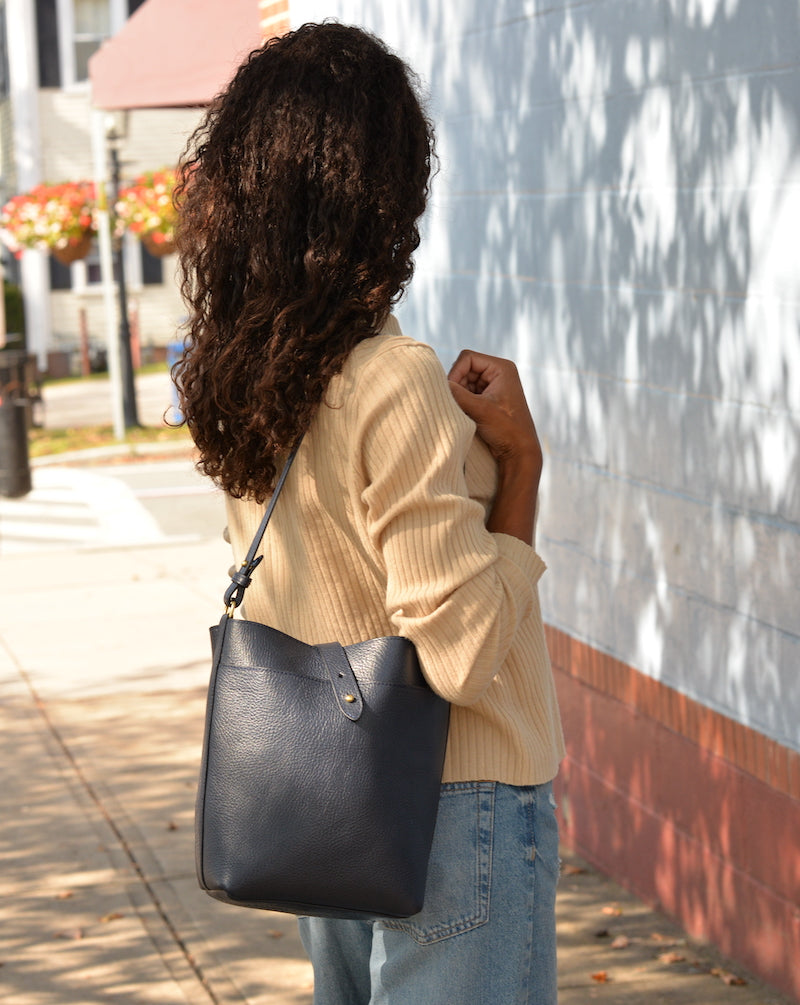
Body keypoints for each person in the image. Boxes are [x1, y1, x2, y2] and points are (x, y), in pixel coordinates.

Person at [175, 22, 565, 1004]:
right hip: (452, 810)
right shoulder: (391, 378)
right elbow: (461, 653)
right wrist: (519, 466)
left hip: (327, 805)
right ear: (382, 188)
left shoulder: (248, 378)